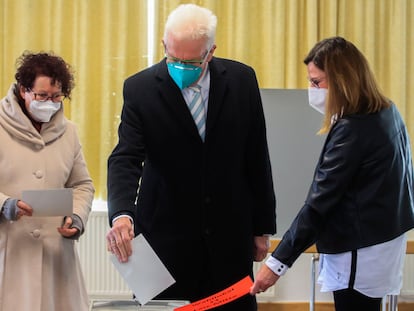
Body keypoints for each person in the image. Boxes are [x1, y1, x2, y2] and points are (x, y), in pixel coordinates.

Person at [106, 3, 276, 310]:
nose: (181, 67)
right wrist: (121, 214)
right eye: (173, 59)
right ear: (164, 46)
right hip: (165, 242)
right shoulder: (140, 89)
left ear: (210, 52)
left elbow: (256, 156)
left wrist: (261, 227)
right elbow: (126, 158)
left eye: (192, 62)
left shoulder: (241, 81)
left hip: (229, 237)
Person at [250, 36, 414, 311]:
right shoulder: (386, 110)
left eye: (316, 82)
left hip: (361, 249)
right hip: (382, 240)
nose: (311, 90)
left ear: (342, 80)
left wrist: (277, 263)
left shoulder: (353, 130)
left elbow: (319, 203)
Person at [0, 51, 95, 311]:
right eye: (42, 96)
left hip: (56, 257)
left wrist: (76, 217)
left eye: (56, 96)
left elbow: (82, 185)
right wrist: (5, 204)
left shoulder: (69, 132)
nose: (50, 103)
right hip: (10, 254)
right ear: (23, 90)